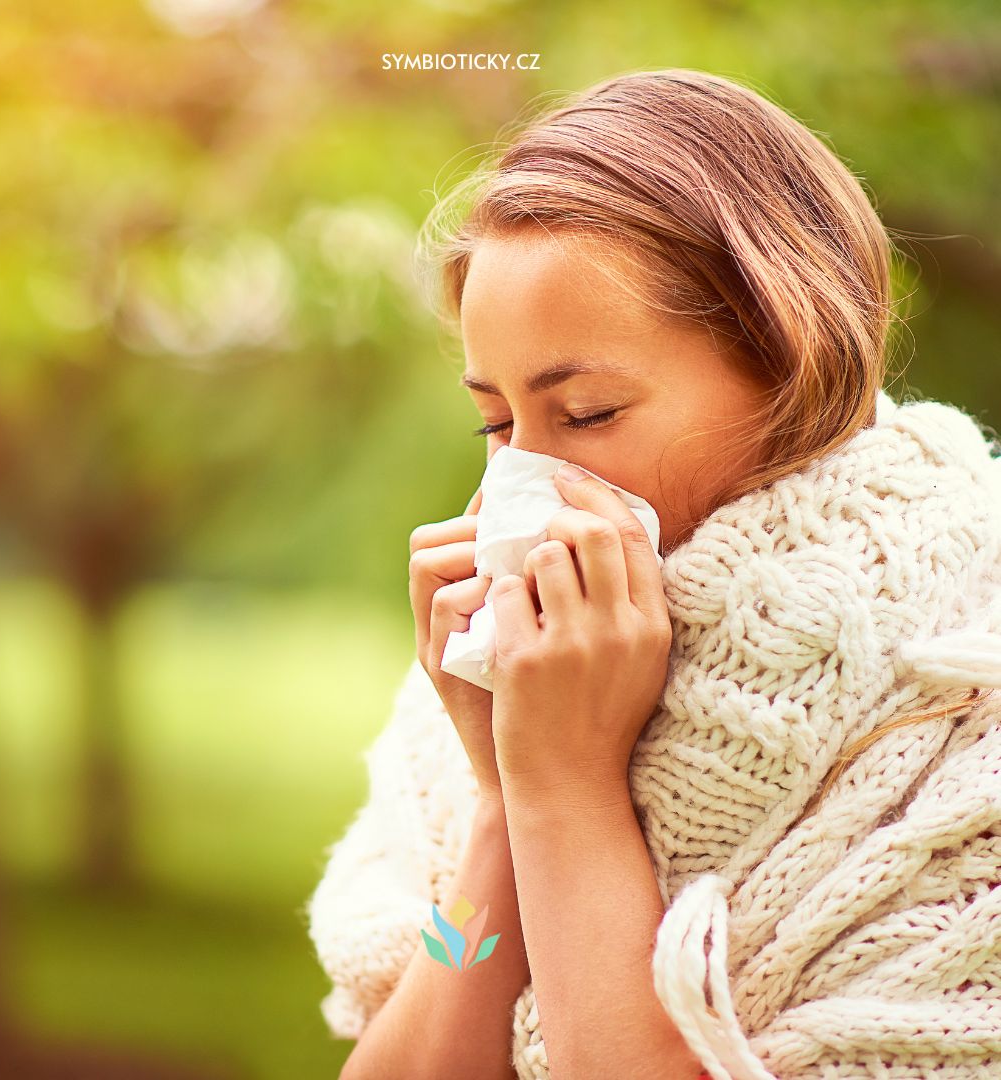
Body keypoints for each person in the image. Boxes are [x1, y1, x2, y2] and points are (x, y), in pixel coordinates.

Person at [305, 68, 1001, 1080]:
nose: (521, 484)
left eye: (584, 414)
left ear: (789, 363)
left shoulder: (965, 698)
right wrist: (508, 794)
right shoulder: (495, 680)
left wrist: (575, 792)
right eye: (497, 423)